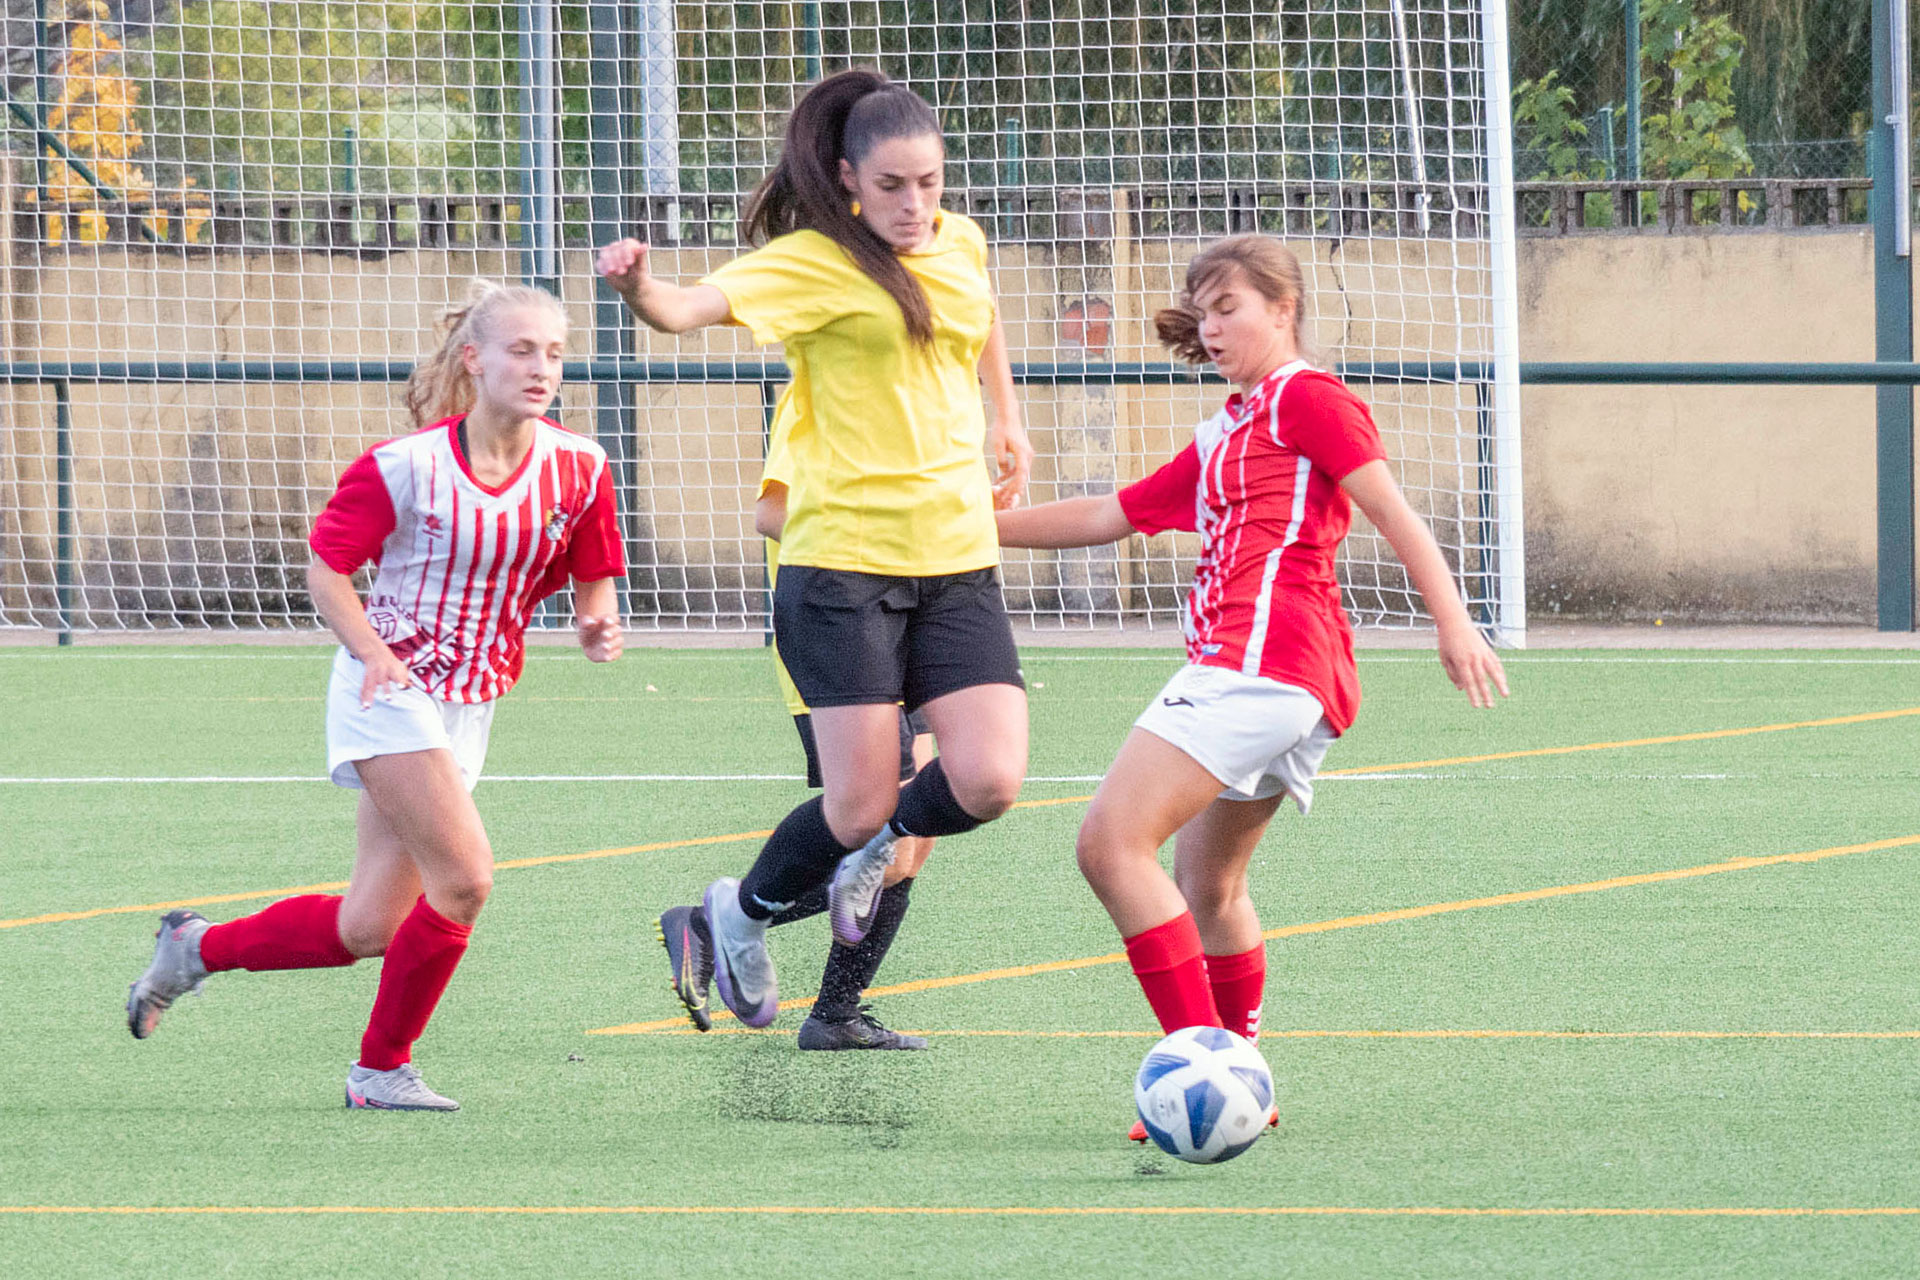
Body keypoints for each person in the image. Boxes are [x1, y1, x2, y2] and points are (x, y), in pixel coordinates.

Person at [993, 235, 1509, 1140]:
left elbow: (1393, 511)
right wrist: (976, 524)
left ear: (1284, 309)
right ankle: (1246, 1082)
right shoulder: (1230, 430)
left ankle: (1205, 1069)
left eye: (1230, 306)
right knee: (1211, 886)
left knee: (1112, 846)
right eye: (1203, 311)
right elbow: (1111, 514)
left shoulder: (1308, 398)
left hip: (1261, 662)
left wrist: (1455, 620)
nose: (1213, 325)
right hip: (1289, 677)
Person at [597, 67, 1033, 1029]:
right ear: (846, 179)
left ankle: (856, 898)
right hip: (842, 569)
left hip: (958, 561)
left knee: (991, 779)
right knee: (857, 808)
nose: (915, 205)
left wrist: (1008, 418)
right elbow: (685, 311)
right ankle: (739, 915)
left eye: (929, 182)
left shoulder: (959, 240)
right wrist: (637, 285)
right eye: (891, 187)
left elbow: (978, 309)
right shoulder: (812, 264)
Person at [125, 281, 627, 1111]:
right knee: (465, 881)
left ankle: (195, 949)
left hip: (468, 701)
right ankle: (380, 1069)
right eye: (521, 349)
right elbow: (327, 569)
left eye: (555, 352)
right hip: (385, 690)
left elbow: (592, 567)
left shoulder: (579, 468)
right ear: (475, 358)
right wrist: (372, 653)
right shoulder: (407, 466)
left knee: (368, 928)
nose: (542, 368)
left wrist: (596, 620)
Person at [654, 421, 937, 1050]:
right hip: (837, 636)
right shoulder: (824, 398)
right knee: (877, 824)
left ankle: (835, 1013)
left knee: (911, 842)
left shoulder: (916, 404)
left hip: (900, 630)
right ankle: (713, 924)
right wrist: (881, 545)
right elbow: (773, 512)